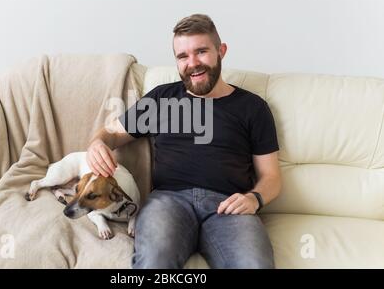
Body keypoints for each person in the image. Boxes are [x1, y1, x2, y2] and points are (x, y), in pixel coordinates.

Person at [86, 14, 281, 269]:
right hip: (168, 202)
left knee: (254, 265)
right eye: (183, 56)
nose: (193, 63)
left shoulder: (253, 107)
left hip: (229, 205)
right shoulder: (161, 99)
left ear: (221, 51)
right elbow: (111, 134)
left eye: (201, 51)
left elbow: (272, 176)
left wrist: (254, 198)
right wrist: (97, 143)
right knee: (155, 262)